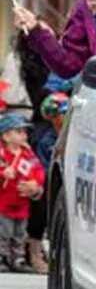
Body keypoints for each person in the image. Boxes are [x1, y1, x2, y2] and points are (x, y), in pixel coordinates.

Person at [0, 113, 43, 272]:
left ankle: (18, 258)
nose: (24, 135)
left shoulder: (28, 155)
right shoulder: (2, 154)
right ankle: (3, 256)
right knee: (3, 231)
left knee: (20, 232)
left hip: (21, 202)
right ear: (6, 135)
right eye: (19, 132)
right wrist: (3, 173)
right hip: (3, 202)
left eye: (24, 132)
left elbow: (38, 171)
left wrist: (35, 183)